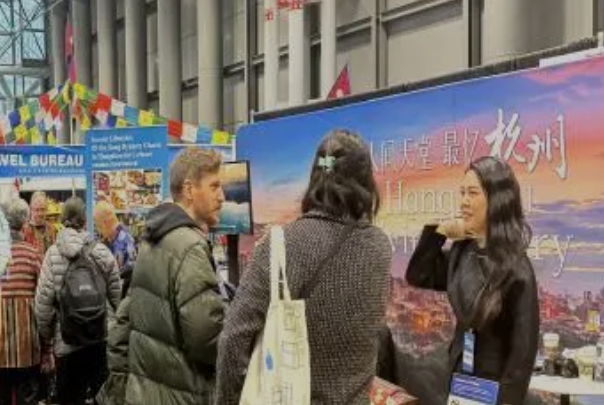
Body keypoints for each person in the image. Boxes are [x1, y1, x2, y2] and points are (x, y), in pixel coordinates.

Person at [214, 129, 393, 405]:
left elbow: (233, 338)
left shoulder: (280, 244)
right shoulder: (380, 246)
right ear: (366, 181)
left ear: (315, 176)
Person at [405, 156, 539, 405]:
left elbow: (522, 354)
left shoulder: (517, 268)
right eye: (462, 193)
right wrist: (439, 232)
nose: (464, 201)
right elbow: (418, 274)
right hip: (460, 381)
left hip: (494, 388)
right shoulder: (461, 252)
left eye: (473, 193)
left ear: (496, 199)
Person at [99, 147, 227, 405]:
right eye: (214, 186)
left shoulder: (152, 239)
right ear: (189, 190)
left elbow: (123, 326)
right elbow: (208, 340)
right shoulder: (189, 246)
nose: (222, 196)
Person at [35, 196, 121, 405]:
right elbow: (118, 298)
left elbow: (43, 306)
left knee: (69, 398)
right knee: (104, 397)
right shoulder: (102, 252)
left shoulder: (52, 255)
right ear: (85, 221)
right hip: (100, 339)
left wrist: (48, 341)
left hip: (67, 342)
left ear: (62, 221)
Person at [0, 199, 45, 405]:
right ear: (25, 223)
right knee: (27, 397)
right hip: (27, 347)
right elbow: (43, 300)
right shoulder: (33, 254)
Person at [94, 201, 137, 298]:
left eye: (98, 225)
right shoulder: (107, 239)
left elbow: (126, 276)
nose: (98, 230)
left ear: (106, 223)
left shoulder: (125, 241)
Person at [23, 191, 58, 256]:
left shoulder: (52, 229)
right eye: (37, 210)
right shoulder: (23, 230)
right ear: (31, 209)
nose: (40, 213)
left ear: (46, 209)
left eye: (42, 209)